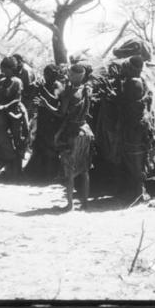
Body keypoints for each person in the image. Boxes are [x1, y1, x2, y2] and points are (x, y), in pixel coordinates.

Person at [35, 64, 94, 211]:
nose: (67, 74)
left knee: (69, 169)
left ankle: (69, 205)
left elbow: (60, 112)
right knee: (84, 169)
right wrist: (45, 94)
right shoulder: (86, 89)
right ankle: (85, 203)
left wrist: (45, 104)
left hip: (72, 133)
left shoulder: (70, 92)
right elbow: (60, 100)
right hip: (85, 131)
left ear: (74, 75)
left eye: (69, 73)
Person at [0, 57, 29, 180]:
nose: (3, 72)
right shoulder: (1, 81)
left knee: (16, 140)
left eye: (5, 69)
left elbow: (17, 99)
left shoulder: (17, 81)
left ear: (12, 69)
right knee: (0, 138)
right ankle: (4, 166)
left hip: (14, 113)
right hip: (2, 113)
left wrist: (3, 107)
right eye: (2, 69)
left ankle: (16, 171)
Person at [118, 55, 153, 202]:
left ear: (132, 68)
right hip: (139, 124)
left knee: (134, 157)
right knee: (138, 157)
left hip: (133, 125)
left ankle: (138, 193)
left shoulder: (132, 82)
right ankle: (138, 191)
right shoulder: (142, 81)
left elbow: (126, 103)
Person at [25, 64, 65, 181]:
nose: (47, 76)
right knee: (40, 144)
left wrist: (43, 90)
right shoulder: (44, 85)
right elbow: (34, 99)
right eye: (46, 74)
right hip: (43, 118)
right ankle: (38, 172)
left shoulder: (57, 85)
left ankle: (51, 173)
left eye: (49, 74)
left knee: (51, 145)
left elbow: (55, 99)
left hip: (53, 119)